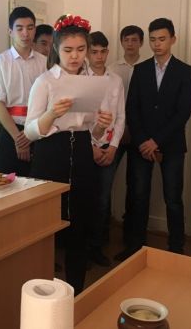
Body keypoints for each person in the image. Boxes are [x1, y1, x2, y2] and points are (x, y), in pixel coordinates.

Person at [25, 14, 113, 295]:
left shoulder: (93, 82)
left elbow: (93, 133)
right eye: (68, 50)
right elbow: (30, 132)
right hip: (51, 152)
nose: (75, 56)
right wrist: (52, 113)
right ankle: (40, 292)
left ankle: (76, 292)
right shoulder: (45, 82)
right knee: (45, 225)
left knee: (80, 224)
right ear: (56, 49)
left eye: (80, 49)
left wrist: (101, 126)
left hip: (83, 152)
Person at [121, 17, 191, 258]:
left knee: (173, 197)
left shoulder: (184, 71)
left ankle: (176, 248)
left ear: (173, 39)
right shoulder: (140, 70)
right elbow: (132, 108)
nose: (157, 44)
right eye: (152, 39)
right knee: (138, 195)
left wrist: (156, 141)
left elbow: (183, 112)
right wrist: (143, 140)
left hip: (171, 144)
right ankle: (135, 247)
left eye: (162, 39)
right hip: (141, 144)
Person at [0, 7, 47, 176]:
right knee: (9, 184)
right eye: (19, 28)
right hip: (11, 131)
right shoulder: (0, 61)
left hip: (38, 130)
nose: (25, 34)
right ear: (10, 32)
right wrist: (19, 139)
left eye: (30, 28)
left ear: (35, 30)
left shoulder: (44, 62)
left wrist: (31, 134)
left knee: (38, 183)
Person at [87, 31, 125, 267]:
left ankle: (96, 247)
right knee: (84, 198)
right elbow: (78, 119)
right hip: (87, 148)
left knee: (102, 199)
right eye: (94, 52)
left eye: (103, 52)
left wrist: (113, 147)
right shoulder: (81, 78)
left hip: (109, 146)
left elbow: (120, 117)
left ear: (108, 52)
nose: (99, 57)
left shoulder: (116, 80)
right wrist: (91, 146)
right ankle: (81, 247)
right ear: (87, 53)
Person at [109, 25, 145, 261]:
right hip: (116, 132)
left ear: (141, 43)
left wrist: (135, 130)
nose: (130, 44)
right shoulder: (113, 69)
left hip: (140, 133)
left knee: (137, 185)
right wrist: (120, 130)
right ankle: (102, 234)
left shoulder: (148, 67)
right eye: (126, 40)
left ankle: (133, 238)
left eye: (134, 40)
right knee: (106, 182)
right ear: (121, 42)